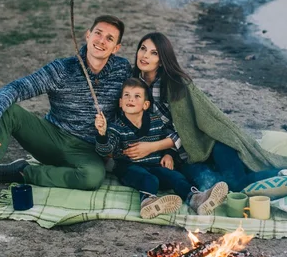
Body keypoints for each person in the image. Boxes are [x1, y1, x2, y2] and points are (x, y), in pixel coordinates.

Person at [0, 15, 132, 209]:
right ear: (88, 35)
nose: (101, 41)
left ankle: (23, 172)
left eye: (109, 38)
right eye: (98, 33)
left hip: (88, 150)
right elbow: (17, 88)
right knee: (9, 111)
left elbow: (140, 98)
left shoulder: (122, 69)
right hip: (52, 137)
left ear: (116, 48)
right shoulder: (62, 69)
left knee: (92, 177)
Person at [127, 32, 287, 193]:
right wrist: (166, 152)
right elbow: (158, 128)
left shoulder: (177, 85)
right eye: (143, 49)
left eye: (154, 53)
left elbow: (186, 130)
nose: (145, 56)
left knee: (237, 184)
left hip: (211, 142)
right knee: (211, 186)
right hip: (187, 156)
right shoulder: (135, 86)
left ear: (162, 60)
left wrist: (153, 147)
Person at [94, 78, 228, 219]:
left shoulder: (155, 121)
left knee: (175, 177)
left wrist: (168, 154)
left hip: (155, 164)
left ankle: (196, 199)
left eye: (136, 96)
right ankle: (148, 202)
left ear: (146, 105)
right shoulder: (116, 128)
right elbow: (105, 150)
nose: (130, 99)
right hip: (129, 168)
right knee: (149, 179)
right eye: (126, 95)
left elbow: (167, 137)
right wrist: (102, 134)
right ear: (121, 103)